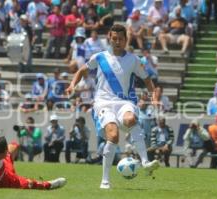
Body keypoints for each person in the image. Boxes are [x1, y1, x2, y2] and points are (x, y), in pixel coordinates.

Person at [66, 24, 160, 189]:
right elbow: (81, 71)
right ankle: (105, 180)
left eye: (121, 39)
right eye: (114, 38)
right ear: (109, 38)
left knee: (131, 119)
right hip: (103, 102)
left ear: (126, 40)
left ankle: (145, 162)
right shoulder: (100, 57)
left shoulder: (134, 60)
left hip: (125, 102)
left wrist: (153, 96)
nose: (117, 42)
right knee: (114, 135)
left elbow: (146, 79)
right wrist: (72, 84)